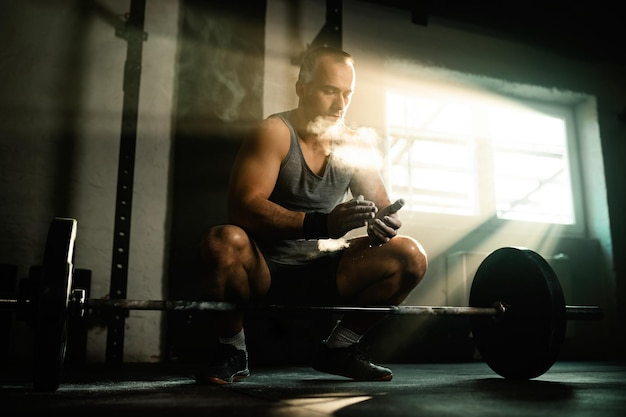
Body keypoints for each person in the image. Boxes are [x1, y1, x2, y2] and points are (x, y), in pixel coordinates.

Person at [195, 46, 428, 385]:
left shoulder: (354, 145)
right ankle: (233, 351)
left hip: (326, 269)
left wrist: (383, 225)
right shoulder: (274, 132)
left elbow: (381, 208)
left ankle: (339, 348)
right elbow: (244, 207)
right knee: (221, 241)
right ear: (302, 88)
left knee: (409, 255)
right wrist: (323, 223)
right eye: (329, 90)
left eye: (347, 94)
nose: (340, 104)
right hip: (265, 270)